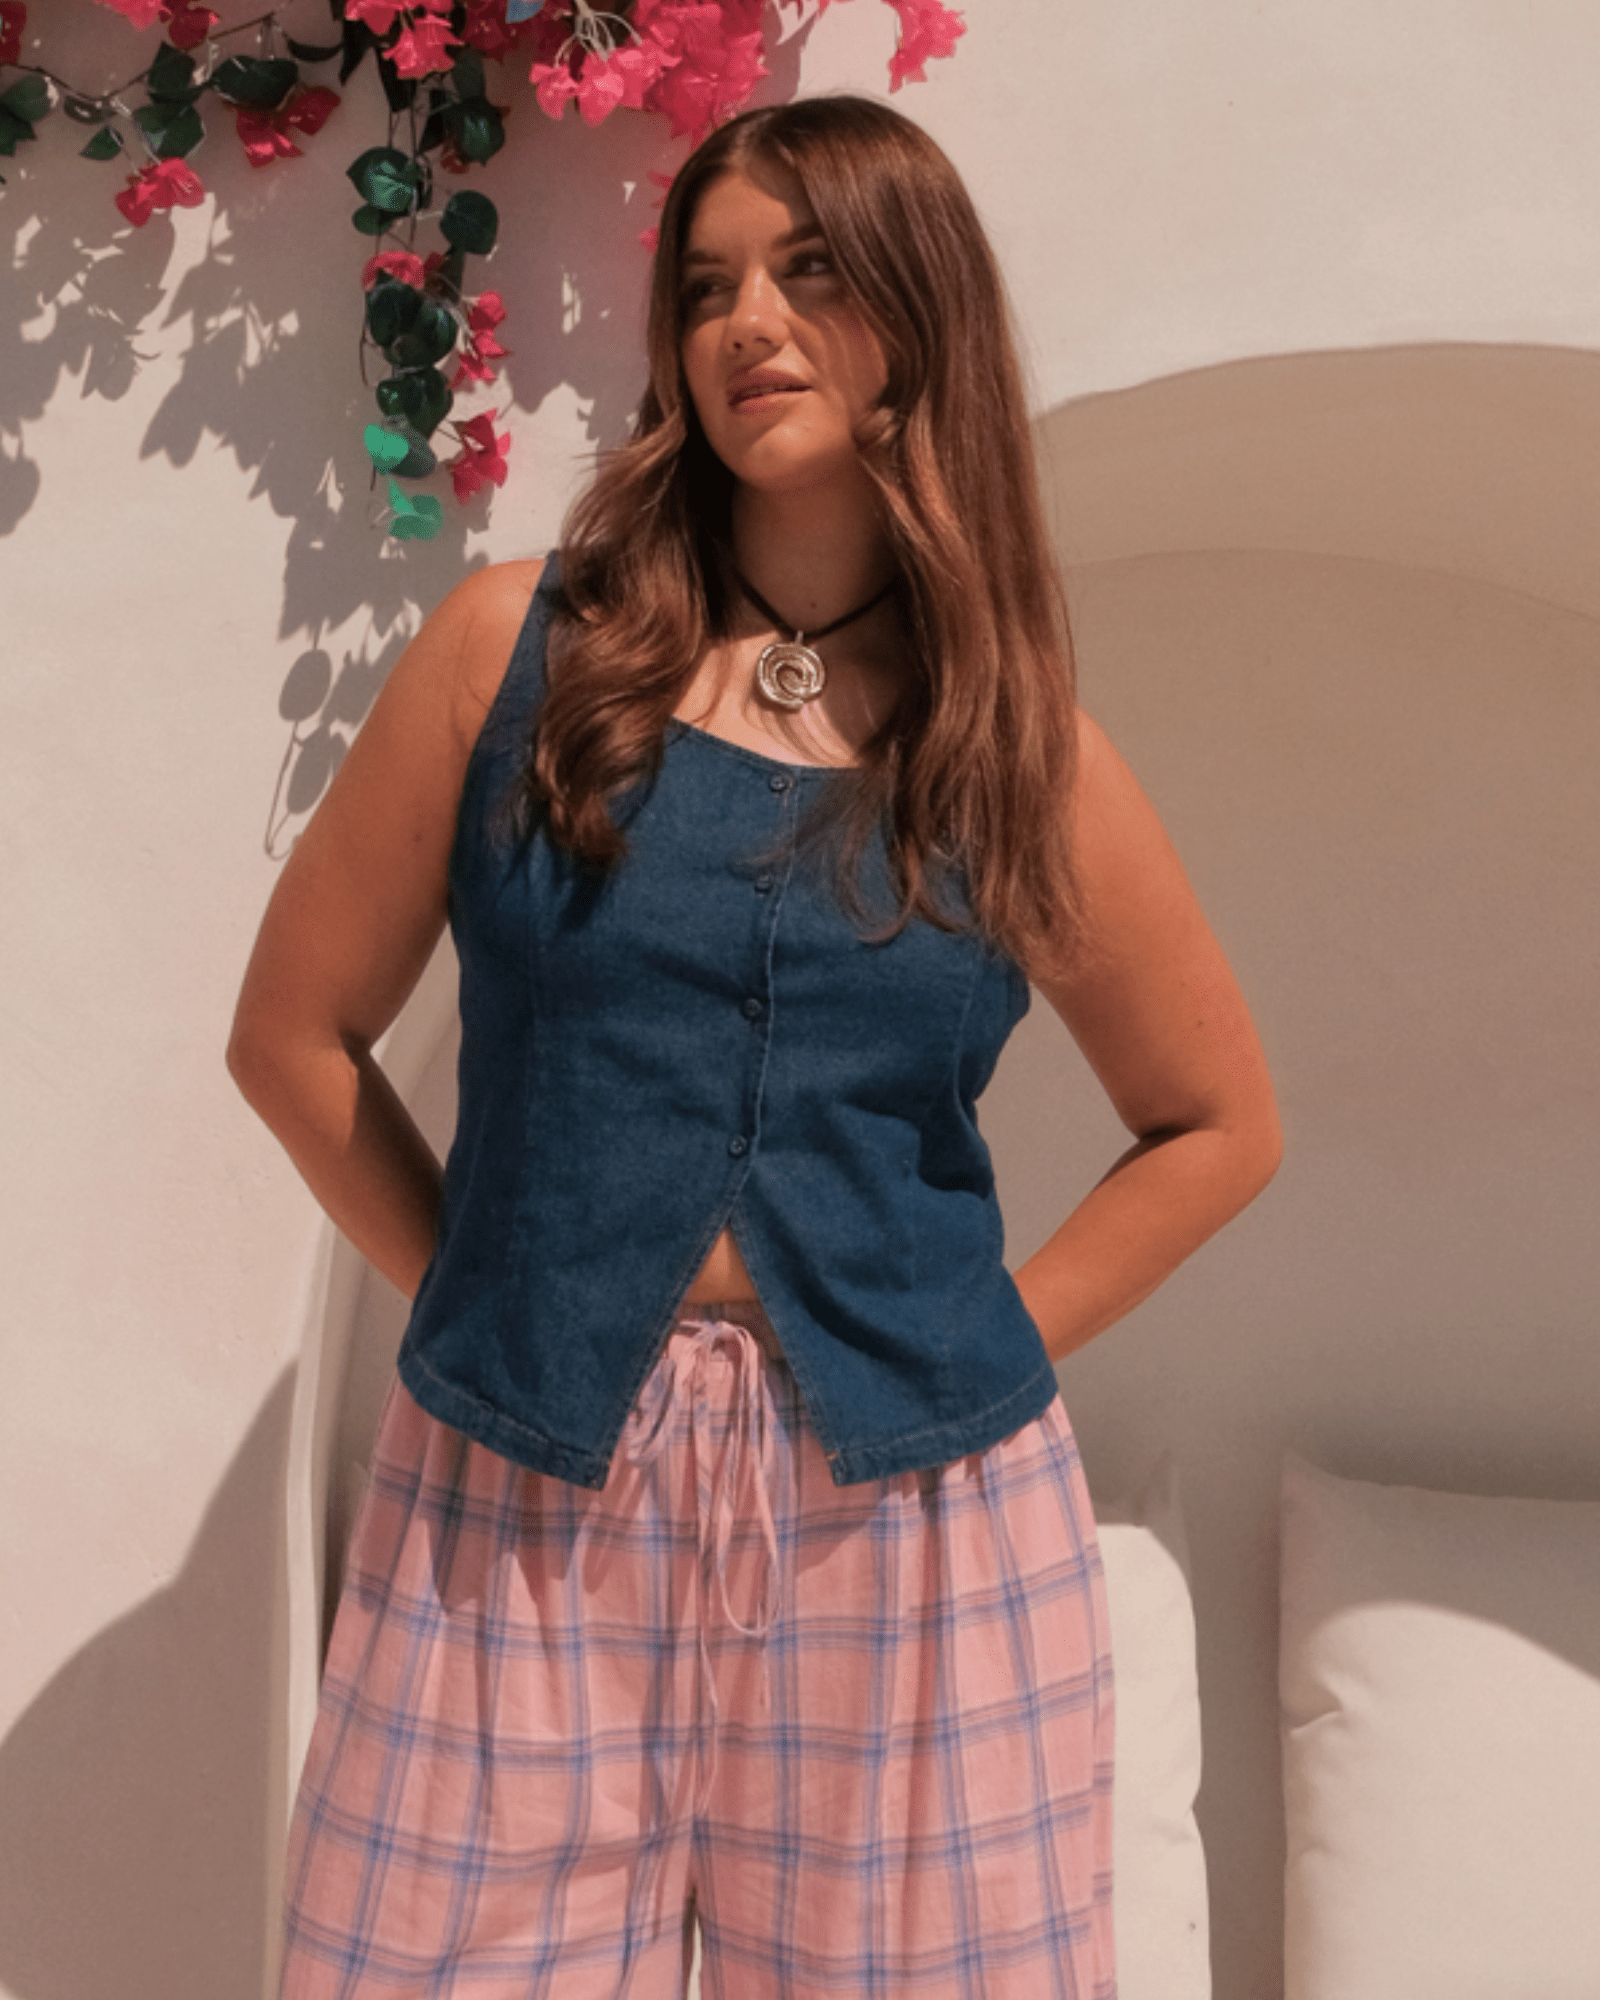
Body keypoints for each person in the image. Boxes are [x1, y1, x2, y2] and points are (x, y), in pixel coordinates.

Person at [230, 94, 1280, 2000]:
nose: (748, 323)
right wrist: (494, 1286)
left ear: (918, 315)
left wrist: (969, 1341)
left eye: (807, 271)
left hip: (910, 1531)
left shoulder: (1013, 749)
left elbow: (1217, 1122)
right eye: (708, 286)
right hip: (522, 1498)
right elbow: (293, 1035)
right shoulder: (513, 657)